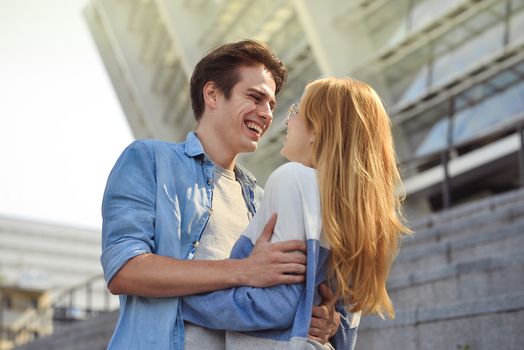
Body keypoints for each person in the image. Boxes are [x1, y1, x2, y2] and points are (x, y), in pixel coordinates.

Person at [101, 40, 340, 349]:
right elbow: (124, 270)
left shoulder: (263, 196)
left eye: (271, 105)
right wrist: (242, 270)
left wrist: (324, 318)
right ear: (212, 94)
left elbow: (280, 295)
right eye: (255, 98)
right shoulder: (149, 160)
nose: (266, 114)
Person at [180, 77, 411, 349]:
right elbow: (346, 335)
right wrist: (331, 322)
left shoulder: (293, 179)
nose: (287, 121)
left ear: (317, 130)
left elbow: (275, 306)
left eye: (295, 112)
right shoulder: (357, 217)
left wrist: (181, 300)